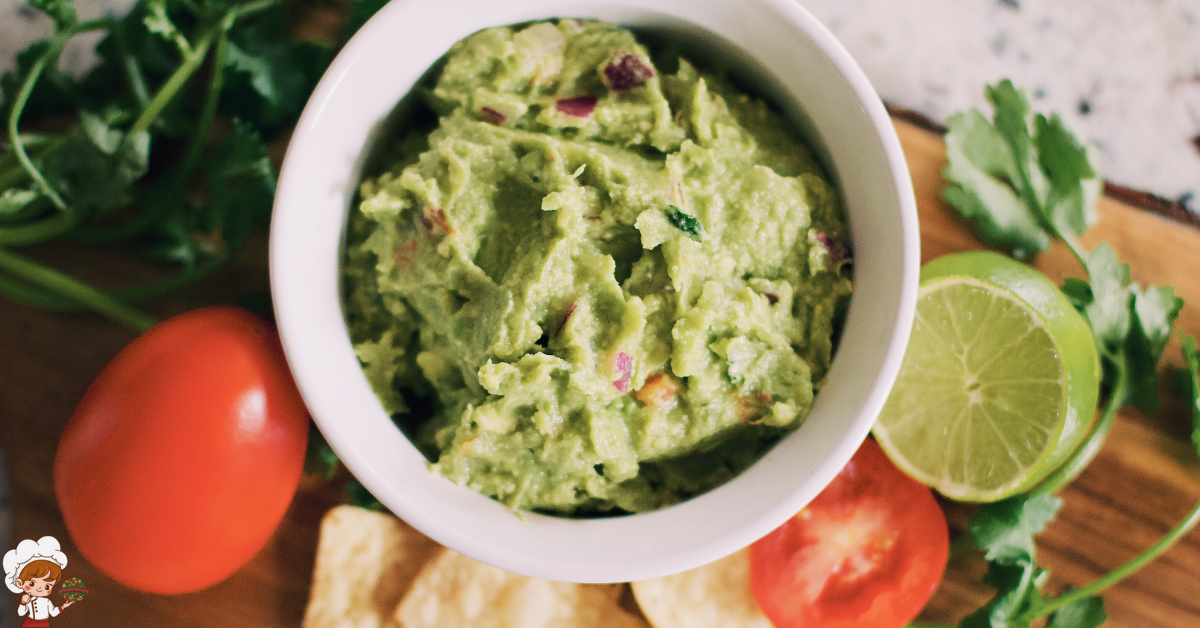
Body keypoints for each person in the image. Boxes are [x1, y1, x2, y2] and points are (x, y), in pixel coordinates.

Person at [3, 537, 78, 627]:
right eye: (32, 583)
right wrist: (23, 603)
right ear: (19, 583)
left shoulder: (47, 601)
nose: (39, 588)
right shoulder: (28, 600)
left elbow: (53, 612)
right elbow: (21, 612)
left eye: (47, 586)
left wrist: (63, 606)